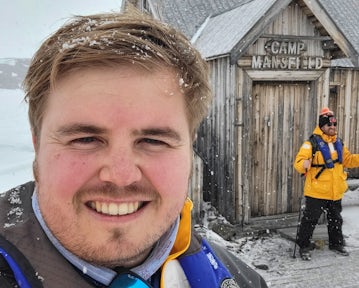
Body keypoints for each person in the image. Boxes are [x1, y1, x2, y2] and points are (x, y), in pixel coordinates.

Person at [0, 6, 268, 288]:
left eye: (153, 141)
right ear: (37, 145)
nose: (121, 176)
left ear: (189, 149)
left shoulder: (243, 280)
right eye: (85, 139)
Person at [294, 107, 359, 260]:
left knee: (336, 219)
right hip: (316, 191)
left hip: (335, 190)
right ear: (322, 126)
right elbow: (298, 162)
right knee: (310, 220)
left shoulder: (339, 143)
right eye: (329, 125)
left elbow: (348, 160)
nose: (332, 127)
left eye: (334, 125)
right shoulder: (310, 144)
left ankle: (336, 243)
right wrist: (304, 164)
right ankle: (304, 246)